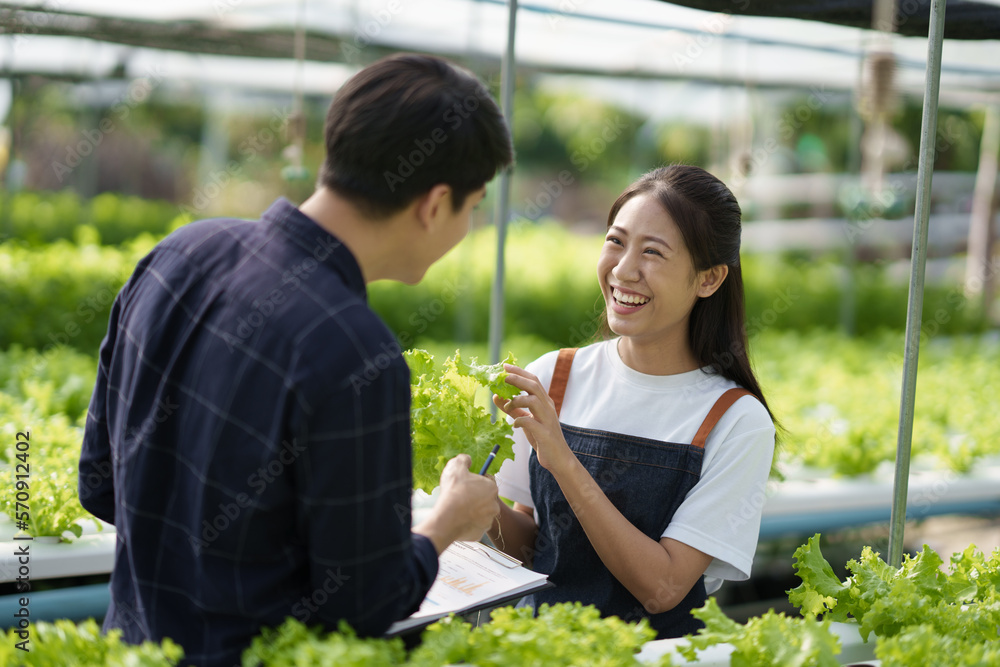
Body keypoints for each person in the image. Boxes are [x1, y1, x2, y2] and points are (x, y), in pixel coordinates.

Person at [78, 53, 512, 667]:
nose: (468, 225)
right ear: (434, 202)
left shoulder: (178, 255)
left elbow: (99, 485)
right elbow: (364, 602)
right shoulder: (357, 351)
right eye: (474, 206)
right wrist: (446, 522)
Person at [488, 164, 777, 639]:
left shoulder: (735, 420)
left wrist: (564, 462)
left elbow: (663, 589)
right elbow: (533, 550)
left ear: (709, 279)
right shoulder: (552, 377)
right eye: (616, 241)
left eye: (653, 253)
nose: (624, 270)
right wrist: (479, 512)